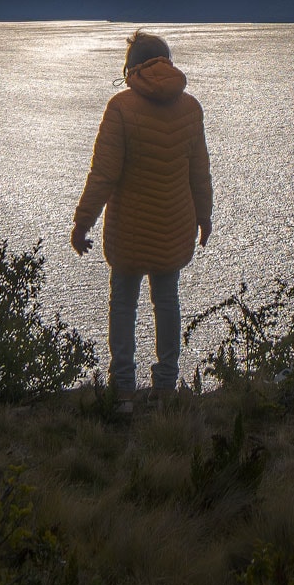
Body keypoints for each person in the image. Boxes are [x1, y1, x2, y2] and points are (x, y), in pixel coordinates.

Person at [71, 29, 213, 410]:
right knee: (166, 301)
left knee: (123, 305)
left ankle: (123, 392)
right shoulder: (191, 108)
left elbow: (103, 175)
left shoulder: (120, 107)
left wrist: (83, 222)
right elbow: (199, 173)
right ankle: (166, 387)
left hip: (129, 232)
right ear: (167, 61)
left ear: (132, 67)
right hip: (174, 227)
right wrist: (204, 217)